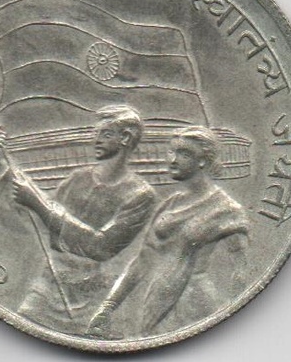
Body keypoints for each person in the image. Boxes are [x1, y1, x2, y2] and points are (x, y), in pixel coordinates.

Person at [0, 105, 155, 332]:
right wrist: (2, 163)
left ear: (125, 138)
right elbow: (38, 216)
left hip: (95, 299)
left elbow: (101, 247)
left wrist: (39, 205)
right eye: (96, 133)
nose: (96, 140)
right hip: (50, 287)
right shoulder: (77, 179)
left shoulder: (139, 195)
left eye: (106, 134)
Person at [86, 126, 249, 338]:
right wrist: (108, 307)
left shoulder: (227, 210)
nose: (172, 160)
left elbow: (240, 273)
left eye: (184, 154)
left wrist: (234, 321)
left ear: (202, 161)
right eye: (171, 152)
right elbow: (142, 260)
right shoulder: (169, 204)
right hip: (156, 304)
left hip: (195, 305)